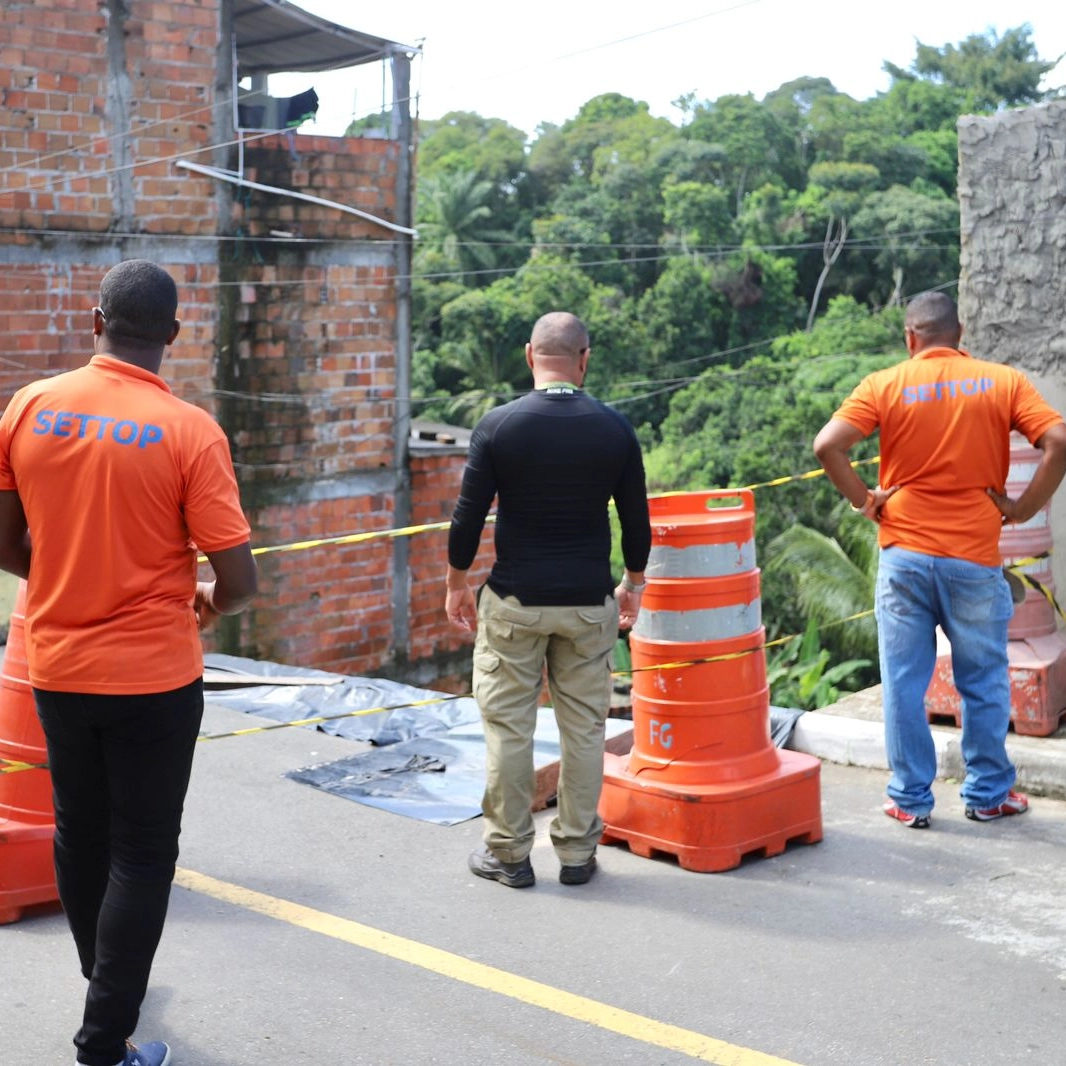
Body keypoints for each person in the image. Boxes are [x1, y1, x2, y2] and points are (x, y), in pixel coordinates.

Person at [0, 260, 258, 1066]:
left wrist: (60, 580)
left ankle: (101, 984)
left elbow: (6, 540)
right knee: (143, 853)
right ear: (172, 337)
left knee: (80, 833)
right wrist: (207, 604)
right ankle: (105, 1040)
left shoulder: (30, 407)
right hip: (153, 677)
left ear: (95, 319)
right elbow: (240, 580)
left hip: (54, 665)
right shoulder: (188, 430)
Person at [813, 291, 1066, 830]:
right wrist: (1021, 509)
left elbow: (827, 446)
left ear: (911, 339)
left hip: (904, 555)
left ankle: (909, 797)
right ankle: (988, 794)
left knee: (903, 682)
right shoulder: (1003, 381)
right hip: (974, 556)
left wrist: (866, 500)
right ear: (960, 333)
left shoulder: (884, 384)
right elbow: (1058, 440)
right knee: (984, 679)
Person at [445, 311, 651, 888]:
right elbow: (637, 521)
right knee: (584, 729)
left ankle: (509, 856)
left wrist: (456, 584)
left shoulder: (499, 425)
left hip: (514, 601)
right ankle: (577, 855)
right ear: (585, 359)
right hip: (588, 604)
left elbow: (468, 518)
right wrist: (633, 583)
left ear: (529, 356)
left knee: (509, 729)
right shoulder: (615, 429)